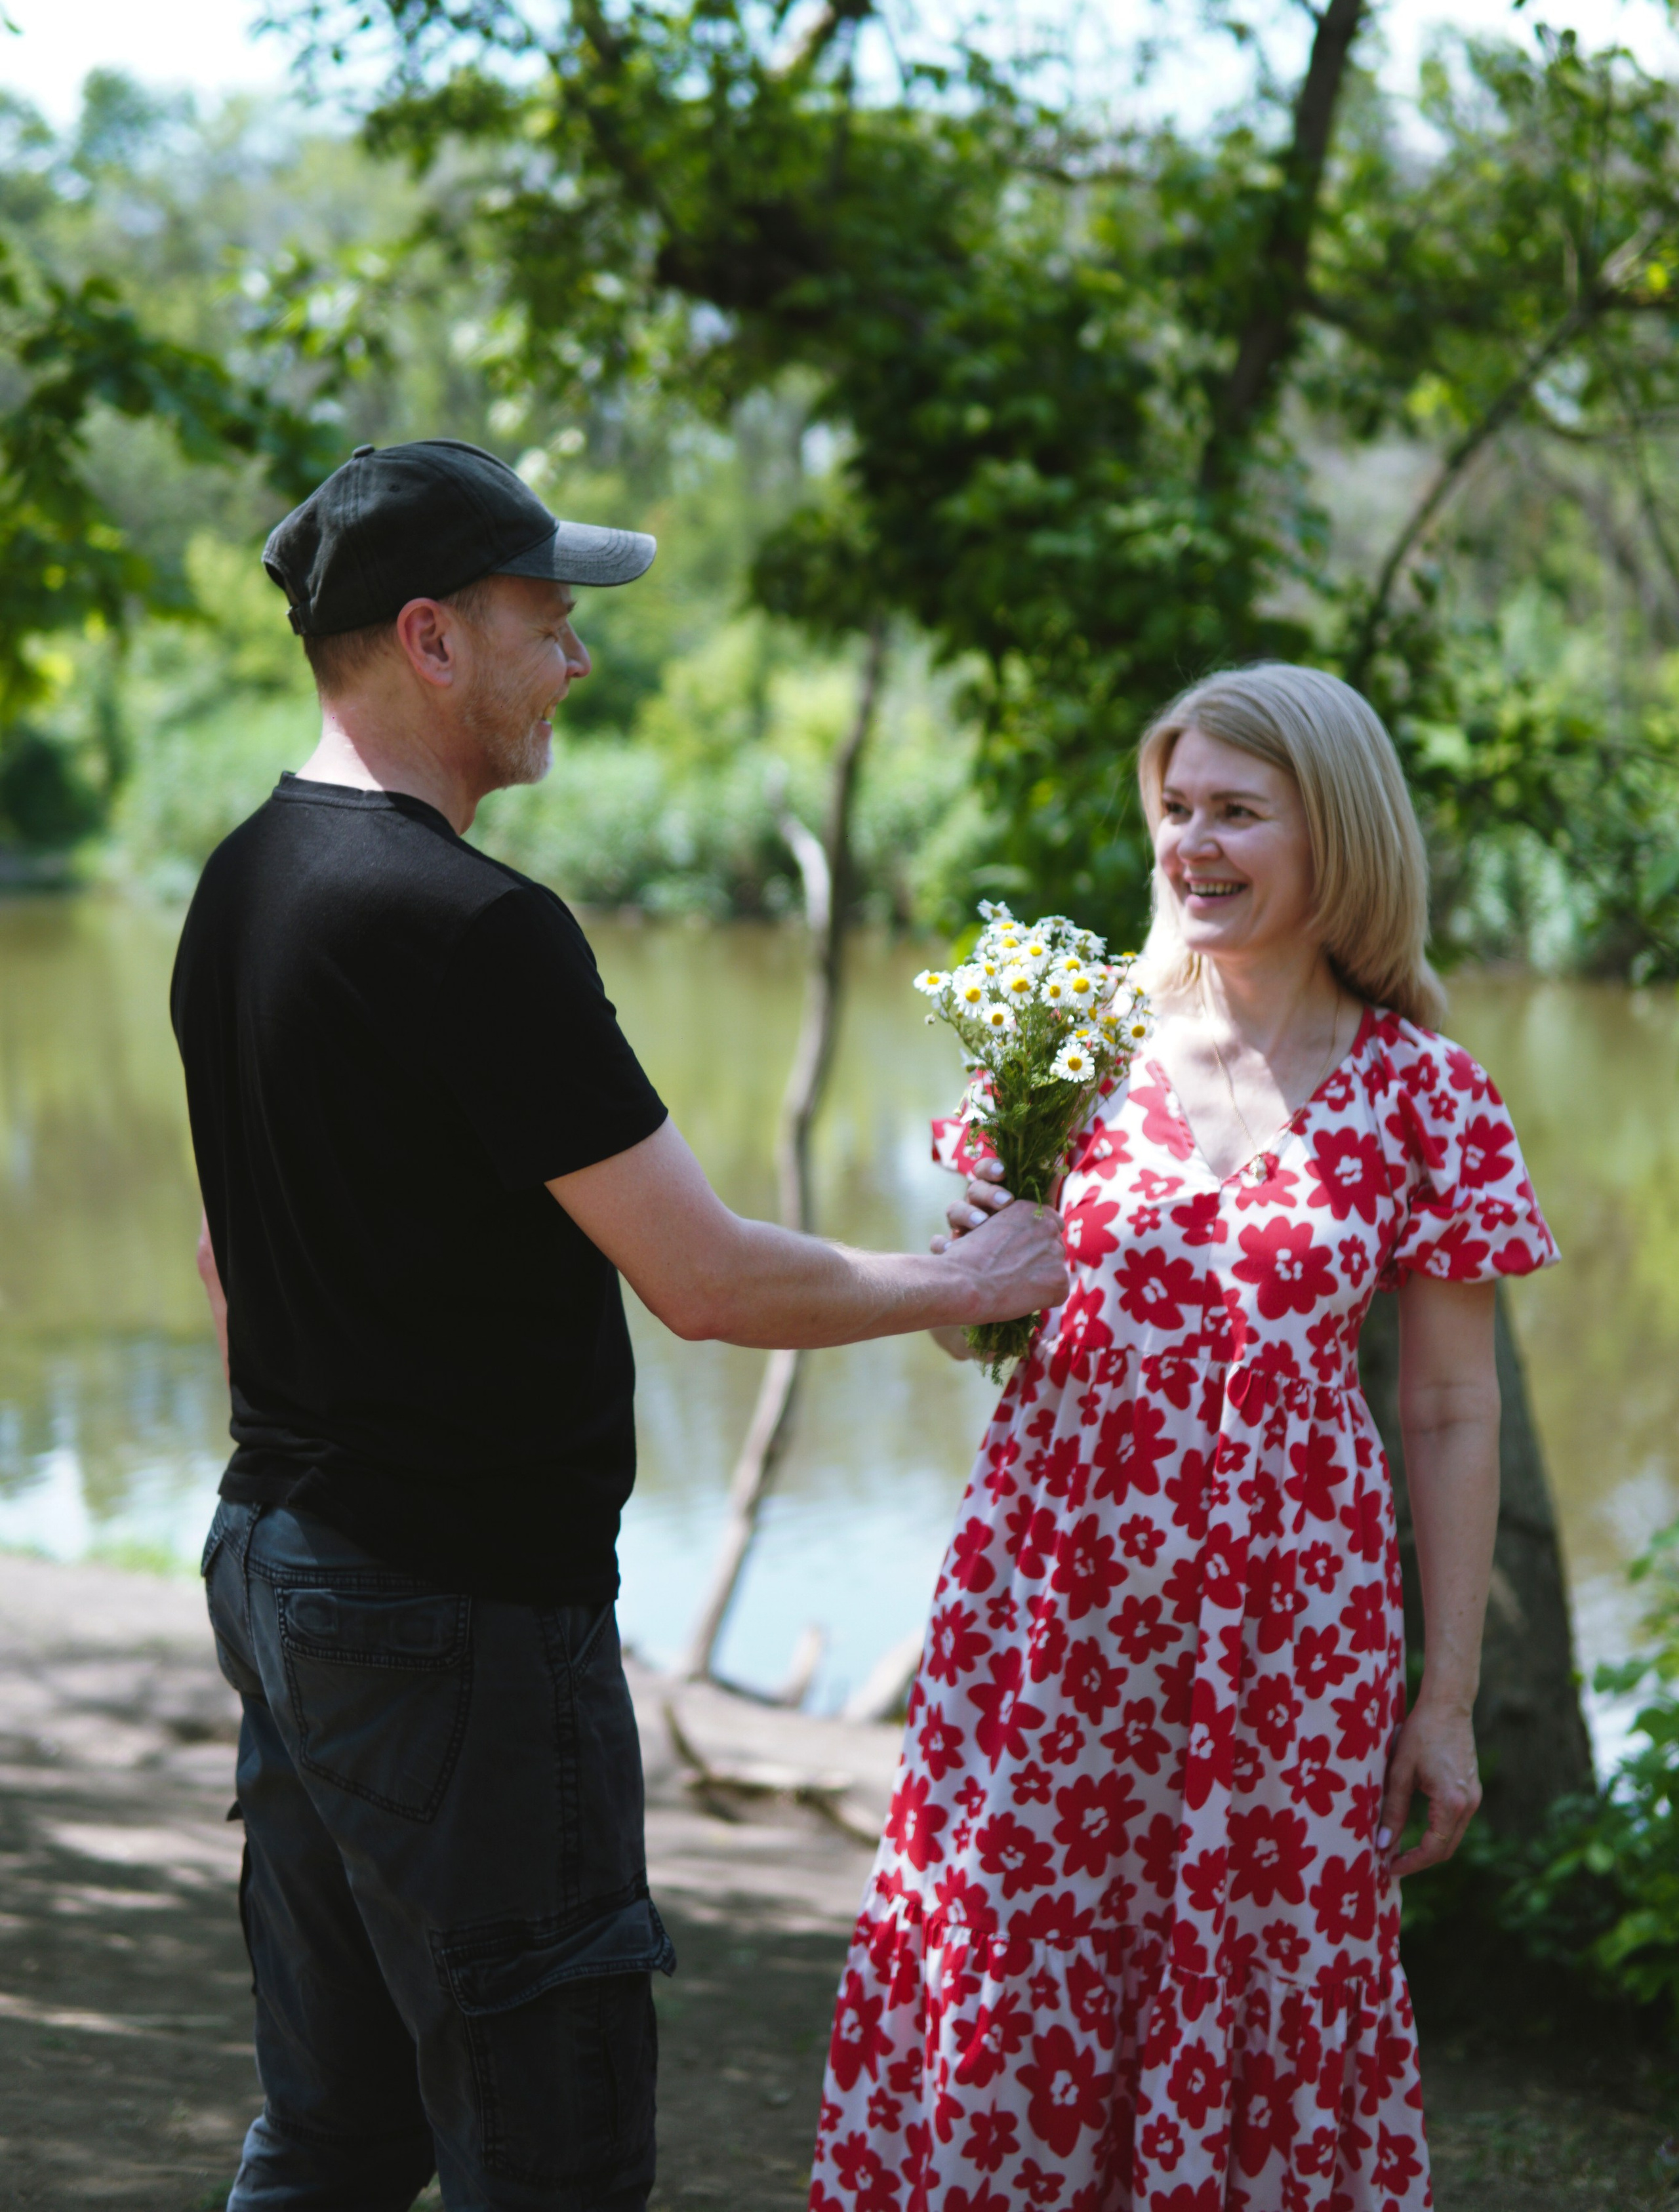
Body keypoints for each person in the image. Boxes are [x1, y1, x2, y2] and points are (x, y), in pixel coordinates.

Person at [171, 437, 1067, 2212]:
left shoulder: (243, 882)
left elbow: (224, 1261)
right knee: (552, 2148)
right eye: (547, 621)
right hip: (456, 1616)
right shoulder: (471, 928)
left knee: (335, 2136)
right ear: (429, 637)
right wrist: (968, 1284)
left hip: (282, 1565)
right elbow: (707, 1278)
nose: (579, 658)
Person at [809, 662, 1558, 2212]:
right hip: (1055, 1622)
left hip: (1289, 1655)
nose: (1190, 844)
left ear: (1334, 832)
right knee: (1018, 1982)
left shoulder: (1429, 1097)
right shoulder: (1064, 1052)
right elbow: (967, 1329)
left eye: (1234, 811)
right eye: (1172, 809)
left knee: (1265, 1989)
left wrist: (1447, 1697)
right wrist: (967, 1275)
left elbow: (1445, 1404)